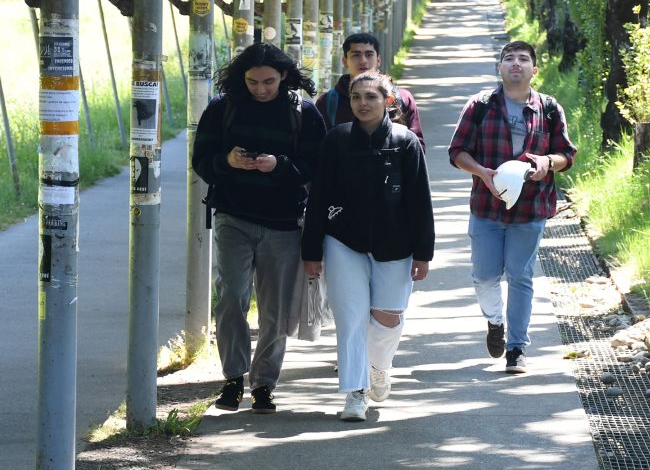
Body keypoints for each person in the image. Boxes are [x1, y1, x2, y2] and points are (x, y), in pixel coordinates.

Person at [192, 42, 326, 413]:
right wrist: (228, 161)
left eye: (268, 81)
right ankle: (233, 379)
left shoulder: (304, 113)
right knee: (231, 296)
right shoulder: (224, 108)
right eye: (252, 81)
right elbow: (201, 161)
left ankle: (264, 384)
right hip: (233, 216)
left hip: (284, 224)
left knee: (275, 310)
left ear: (284, 76)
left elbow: (315, 168)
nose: (261, 89)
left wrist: (279, 166)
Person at [302, 71, 435, 421]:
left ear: (388, 101)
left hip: (396, 243)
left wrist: (423, 252)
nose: (363, 103)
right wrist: (311, 250)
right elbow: (318, 197)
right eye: (356, 97)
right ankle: (355, 392)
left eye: (371, 97)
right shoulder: (336, 140)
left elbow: (420, 201)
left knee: (388, 317)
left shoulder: (406, 143)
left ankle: (379, 365)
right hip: (343, 240)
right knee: (351, 318)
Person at [448, 40, 577, 374]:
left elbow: (567, 155)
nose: (515, 64)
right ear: (500, 68)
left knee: (520, 276)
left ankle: (517, 347)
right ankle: (495, 322)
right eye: (509, 59)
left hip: (530, 209)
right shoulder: (479, 105)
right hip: (486, 206)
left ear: (534, 69)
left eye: (523, 59)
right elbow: (457, 151)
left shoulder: (549, 108)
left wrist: (548, 162)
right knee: (485, 275)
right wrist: (482, 173)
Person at [315, 32, 425, 151]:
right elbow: (319, 149)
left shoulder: (402, 98)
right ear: (345, 61)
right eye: (356, 55)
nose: (363, 60)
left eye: (369, 54)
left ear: (378, 60)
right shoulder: (328, 102)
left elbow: (417, 147)